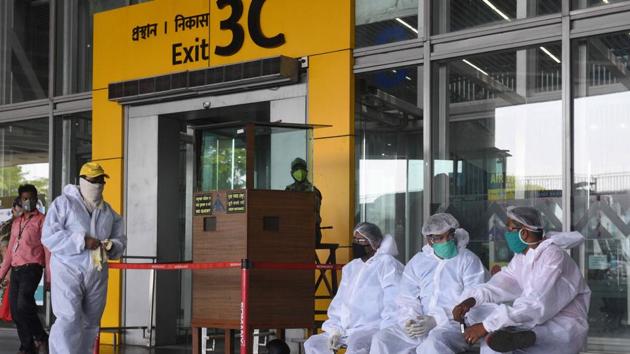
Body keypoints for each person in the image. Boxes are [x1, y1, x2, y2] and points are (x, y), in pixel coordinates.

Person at [452, 206, 591, 354]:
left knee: (499, 334)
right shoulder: (523, 257)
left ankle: (523, 336)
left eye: (509, 230)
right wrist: (472, 299)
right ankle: (515, 335)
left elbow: (536, 302)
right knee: (492, 342)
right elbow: (502, 283)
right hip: (536, 319)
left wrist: (486, 326)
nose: (506, 234)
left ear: (523, 233)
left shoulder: (553, 256)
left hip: (562, 325)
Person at [369, 213, 489, 354]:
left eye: (449, 235)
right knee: (382, 339)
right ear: (429, 240)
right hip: (421, 324)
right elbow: (407, 297)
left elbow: (473, 301)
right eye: (440, 238)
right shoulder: (418, 262)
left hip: (455, 326)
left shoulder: (467, 260)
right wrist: (411, 320)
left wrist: (436, 320)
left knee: (432, 345)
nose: (447, 241)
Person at [42, 162, 126, 354]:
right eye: (94, 180)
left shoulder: (107, 211)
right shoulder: (64, 204)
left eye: (101, 180)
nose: (99, 184)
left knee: (91, 321)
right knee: (68, 318)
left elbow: (120, 239)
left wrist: (112, 246)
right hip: (68, 270)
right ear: (83, 181)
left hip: (96, 272)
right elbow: (49, 236)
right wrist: (82, 241)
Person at [304, 222, 403, 354]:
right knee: (313, 343)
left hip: (372, 328)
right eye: (354, 240)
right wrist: (335, 331)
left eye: (361, 240)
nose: (356, 244)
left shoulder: (387, 264)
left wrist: (385, 331)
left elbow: (394, 302)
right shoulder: (351, 267)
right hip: (345, 330)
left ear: (374, 243)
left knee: (357, 345)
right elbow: (339, 303)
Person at [0, 185, 50, 354]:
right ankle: (27, 347)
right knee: (15, 310)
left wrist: (49, 276)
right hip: (16, 270)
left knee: (23, 304)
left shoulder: (42, 220)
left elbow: (47, 250)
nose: (27, 201)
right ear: (20, 200)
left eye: (30, 198)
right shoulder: (17, 222)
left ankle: (40, 336)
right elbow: (9, 252)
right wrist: (1, 274)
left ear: (36, 199)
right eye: (24, 198)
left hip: (32, 268)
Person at [285, 157, 323, 245]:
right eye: (296, 169)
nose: (299, 171)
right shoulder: (288, 190)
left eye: (302, 168)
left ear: (306, 171)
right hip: (292, 232)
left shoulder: (313, 191)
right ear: (291, 173)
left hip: (310, 233)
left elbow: (313, 213)